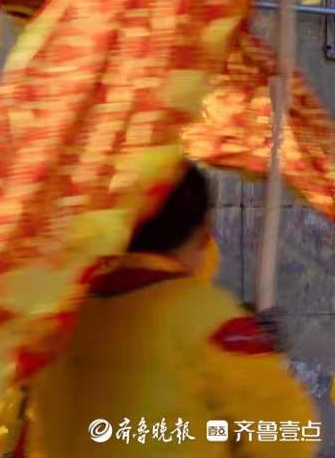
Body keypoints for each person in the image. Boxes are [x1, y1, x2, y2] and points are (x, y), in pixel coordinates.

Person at [29, 164, 317, 457]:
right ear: (204, 232)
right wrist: (262, 347)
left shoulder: (64, 316)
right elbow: (289, 435)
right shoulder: (203, 313)